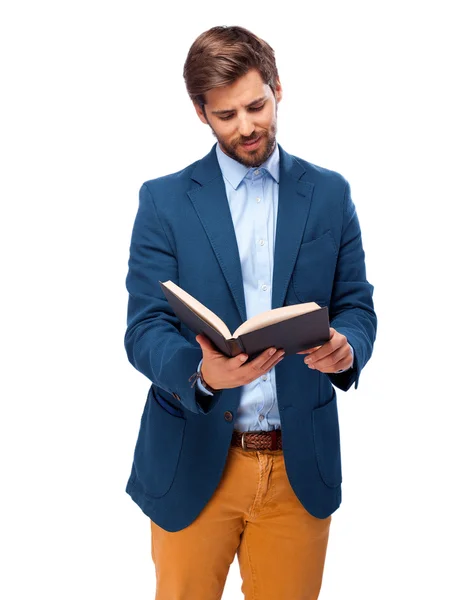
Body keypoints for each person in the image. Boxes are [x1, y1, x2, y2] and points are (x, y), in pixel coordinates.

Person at [124, 25, 377, 600]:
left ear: (278, 87)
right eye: (226, 115)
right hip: (193, 460)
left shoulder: (330, 194)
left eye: (256, 106)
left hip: (298, 466)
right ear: (200, 114)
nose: (246, 127)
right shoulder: (163, 201)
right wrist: (201, 373)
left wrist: (348, 346)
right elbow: (144, 329)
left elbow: (357, 304)